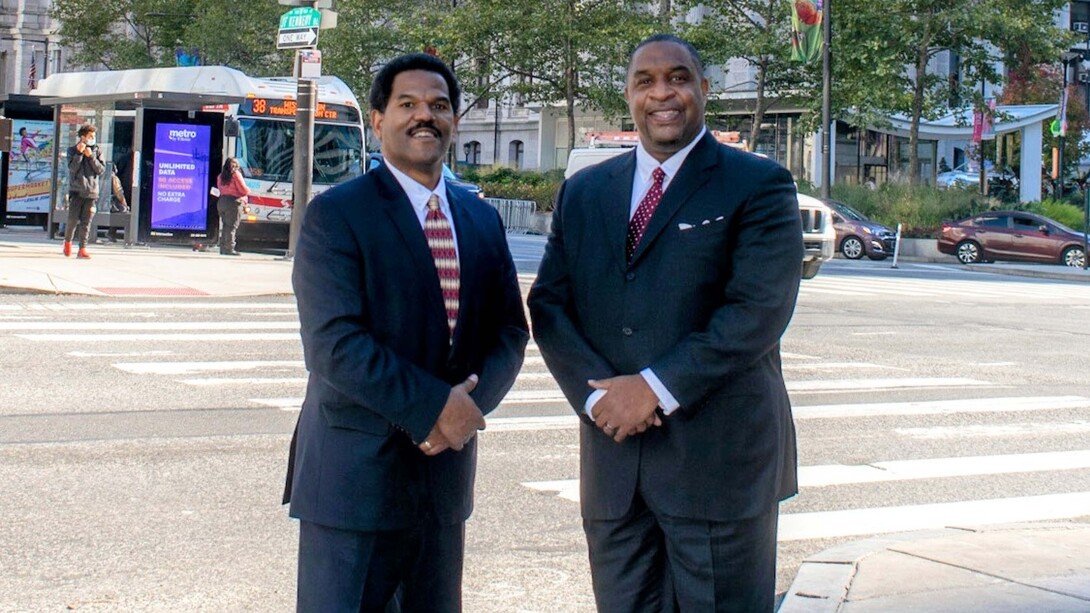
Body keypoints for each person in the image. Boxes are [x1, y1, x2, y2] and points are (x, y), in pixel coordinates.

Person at [527, 34, 803, 612]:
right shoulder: (584, 191)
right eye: (645, 82)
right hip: (614, 470)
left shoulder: (758, 184)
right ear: (628, 95)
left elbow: (756, 313)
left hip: (719, 469)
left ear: (703, 89)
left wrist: (652, 389)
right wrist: (597, 398)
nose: (662, 94)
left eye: (677, 78)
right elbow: (550, 306)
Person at [284, 52, 529, 613]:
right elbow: (334, 344)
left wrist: (463, 414)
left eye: (439, 106)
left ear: (455, 120)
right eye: (408, 104)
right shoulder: (337, 215)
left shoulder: (480, 218)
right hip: (353, 484)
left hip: (442, 488)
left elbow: (510, 333)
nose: (426, 116)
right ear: (377, 119)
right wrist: (432, 410)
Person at [63, 124, 106, 259]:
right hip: (77, 190)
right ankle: (68, 242)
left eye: (94, 136)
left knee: (86, 222)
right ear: (83, 137)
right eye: (90, 136)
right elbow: (72, 169)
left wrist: (91, 157)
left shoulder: (97, 151)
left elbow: (100, 170)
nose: (93, 139)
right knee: (73, 220)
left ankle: (82, 248)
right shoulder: (72, 150)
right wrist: (79, 154)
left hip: (92, 191)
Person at [215, 158, 249, 256]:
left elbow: (220, 189)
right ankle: (230, 248)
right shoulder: (236, 175)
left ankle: (223, 248)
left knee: (225, 225)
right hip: (233, 203)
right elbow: (243, 190)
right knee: (232, 227)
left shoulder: (220, 176)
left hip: (222, 202)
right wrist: (248, 190)